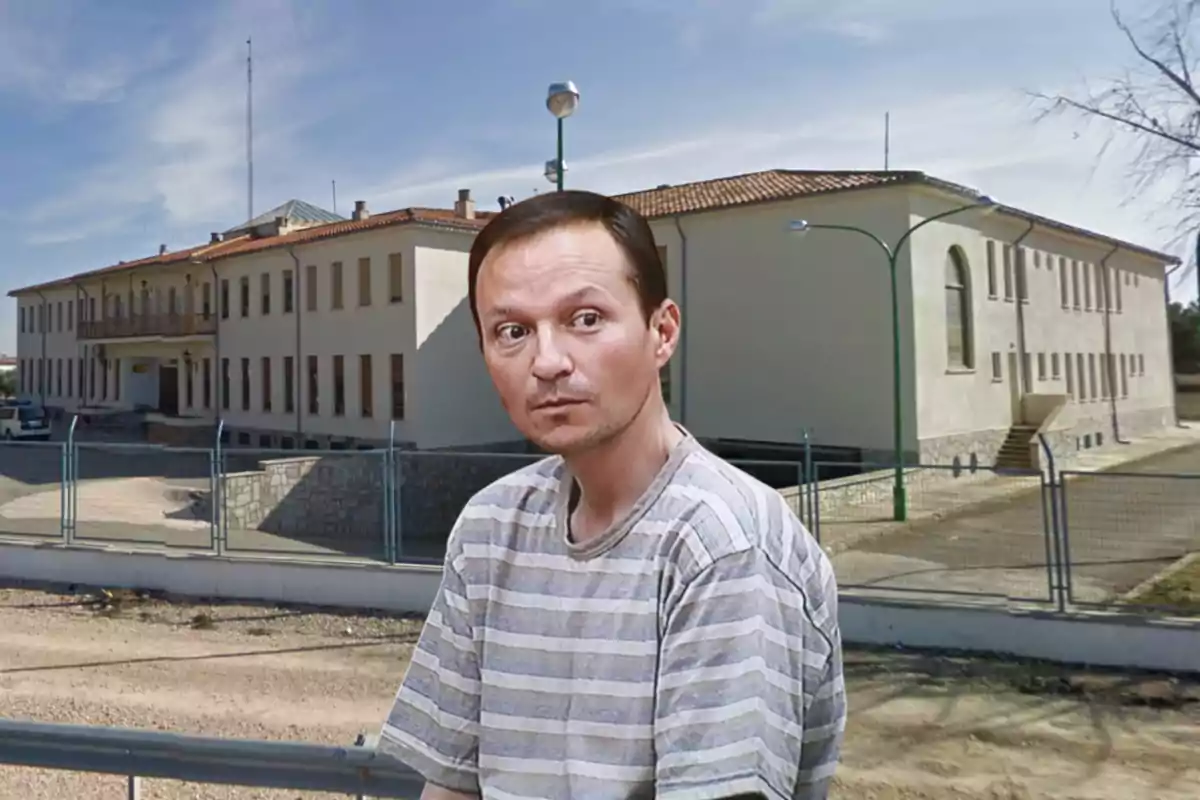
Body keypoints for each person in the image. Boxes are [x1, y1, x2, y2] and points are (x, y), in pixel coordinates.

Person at [379, 190, 845, 800]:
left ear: (662, 331)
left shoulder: (725, 546)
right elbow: (451, 785)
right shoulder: (490, 529)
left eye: (585, 319)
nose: (546, 361)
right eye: (512, 331)